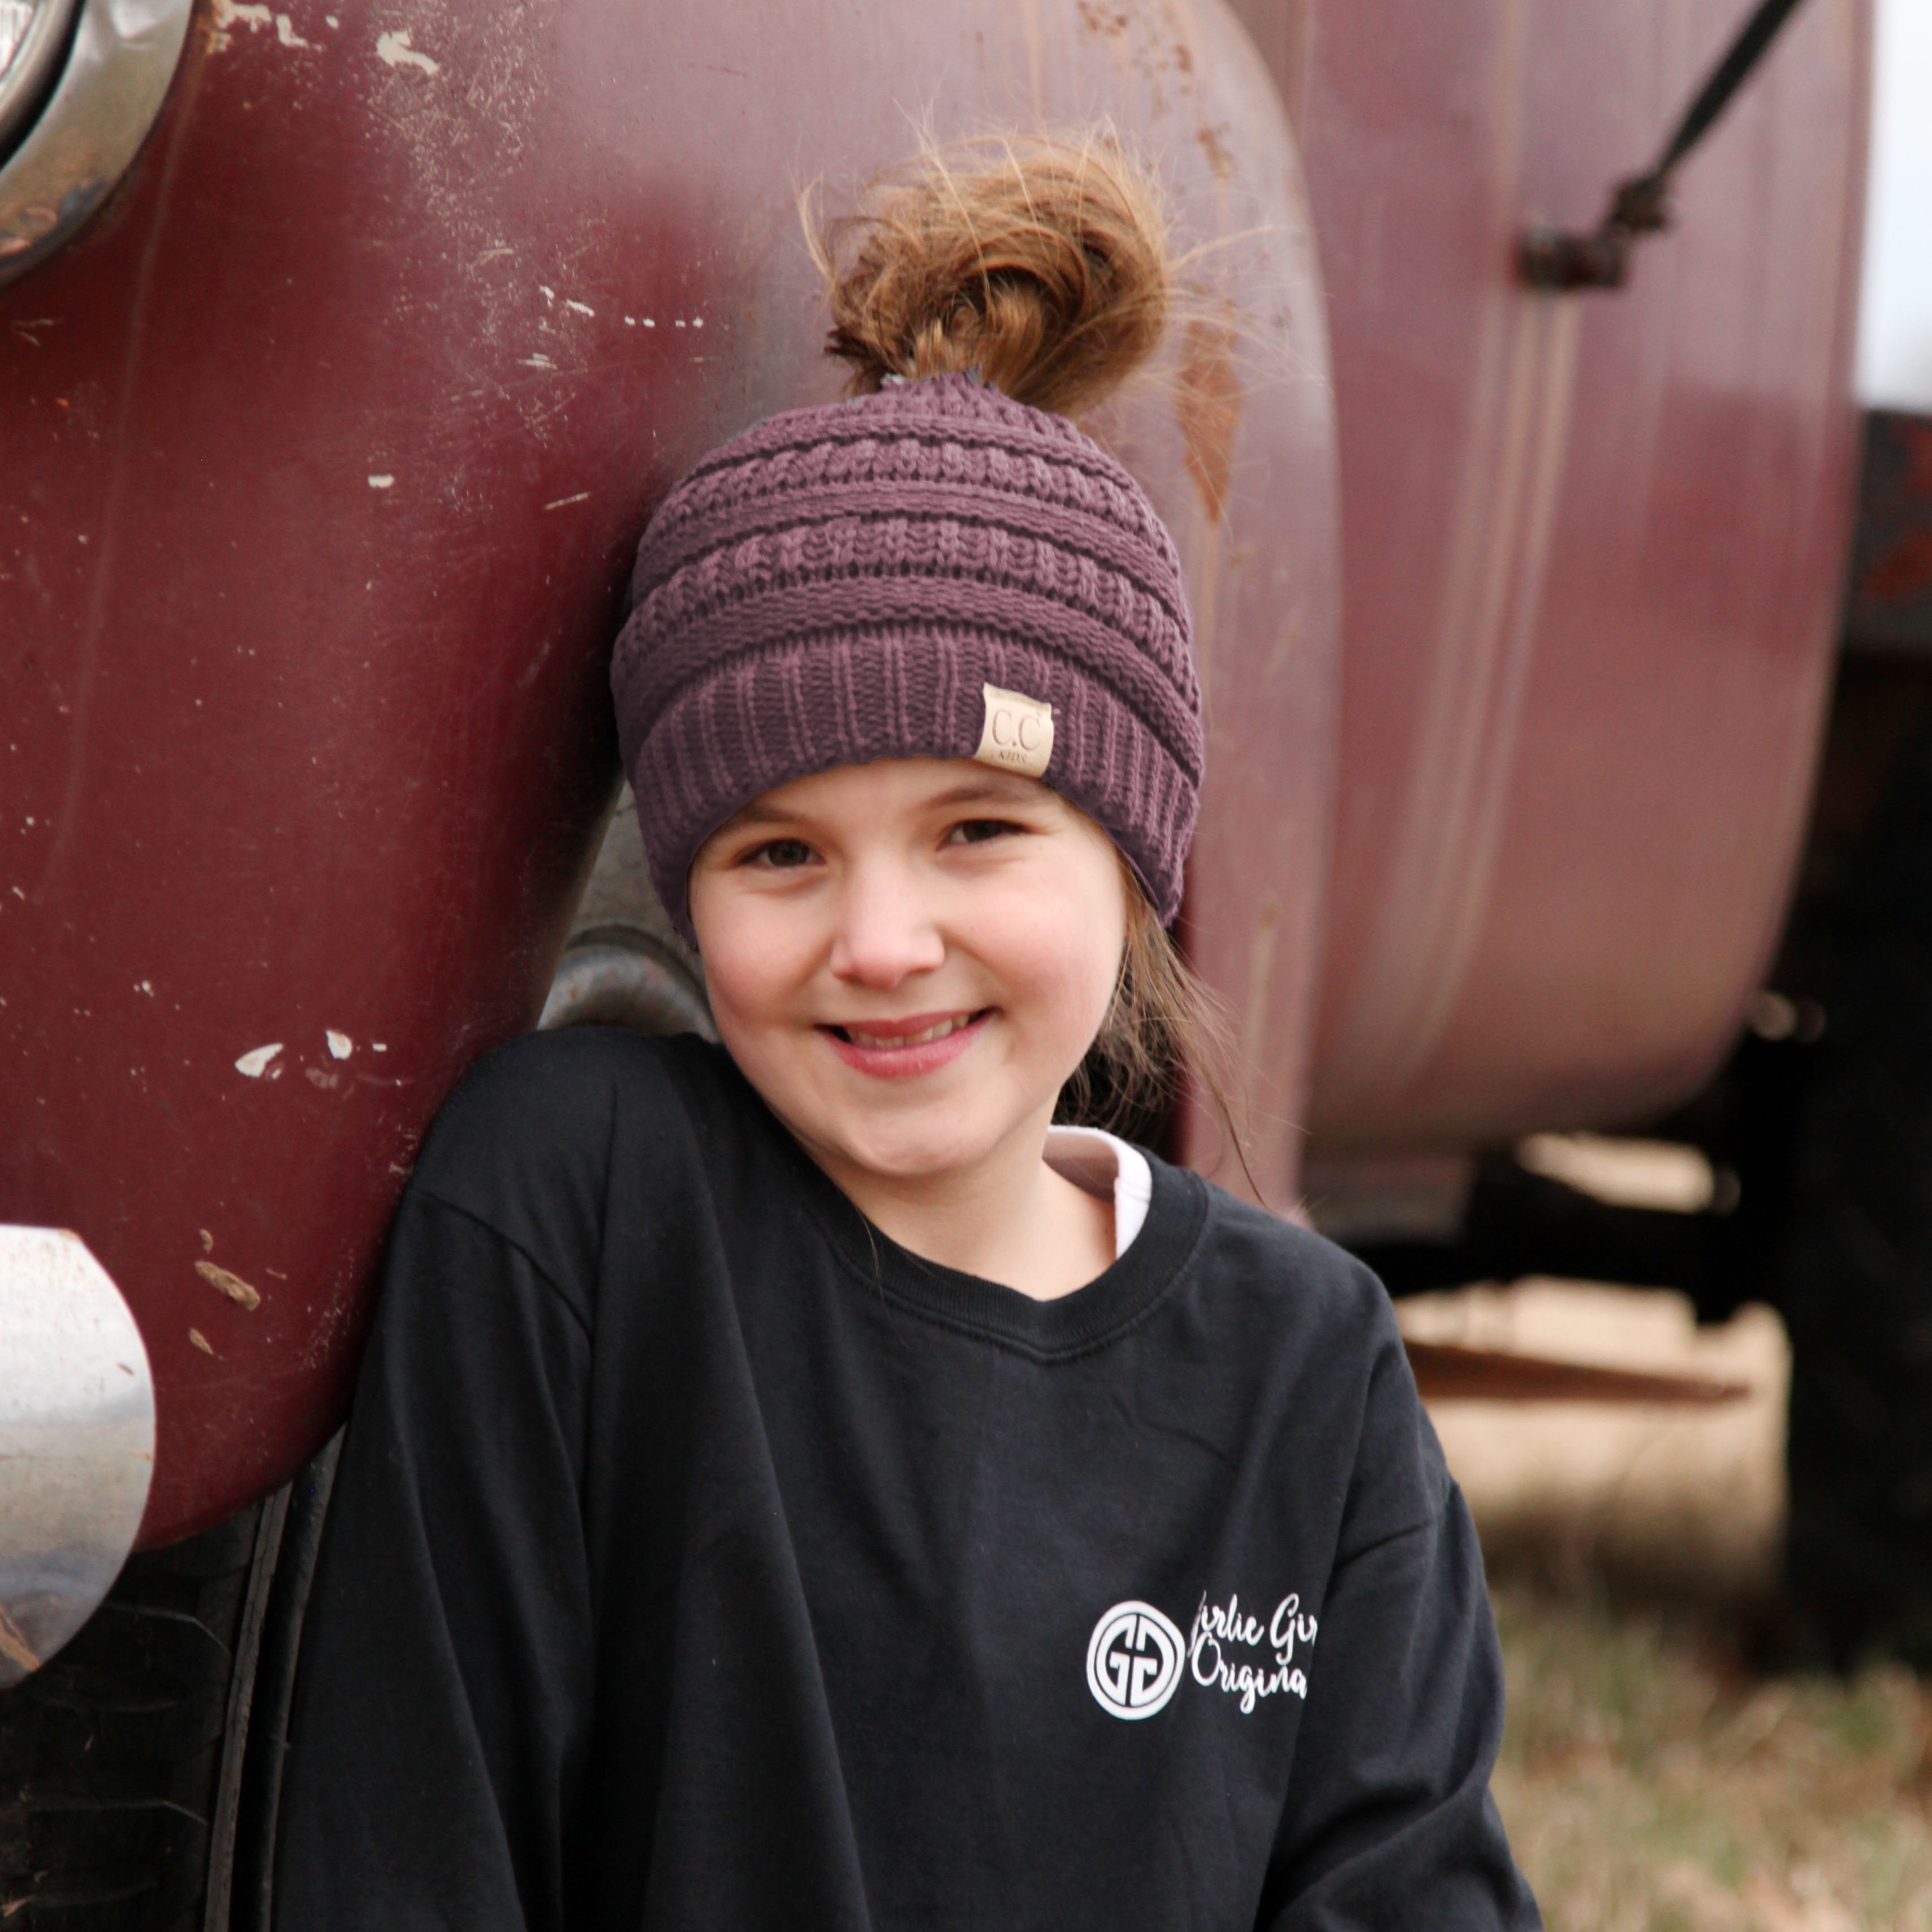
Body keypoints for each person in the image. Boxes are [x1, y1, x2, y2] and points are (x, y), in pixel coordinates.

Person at [274, 134, 1541, 1931]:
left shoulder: (1304, 1370)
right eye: (778, 852)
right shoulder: (577, 1205)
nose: (881, 943)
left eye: (978, 832)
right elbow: (414, 1855)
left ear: (1136, 863)